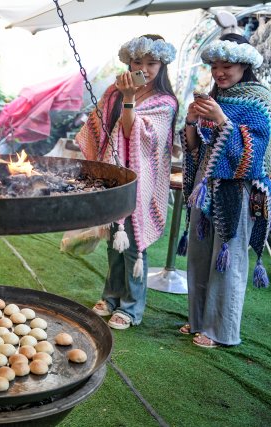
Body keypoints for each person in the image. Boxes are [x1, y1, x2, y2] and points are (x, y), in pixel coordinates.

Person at [76, 35, 178, 329]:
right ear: (128, 62)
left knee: (133, 246)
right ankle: (110, 298)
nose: (143, 68)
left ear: (162, 65)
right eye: (138, 62)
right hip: (115, 178)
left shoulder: (165, 102)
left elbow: (138, 137)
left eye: (151, 63)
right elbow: (97, 127)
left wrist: (130, 99)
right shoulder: (114, 92)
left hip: (141, 182)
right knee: (113, 243)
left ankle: (131, 308)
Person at [178, 33, 271, 348]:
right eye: (215, 66)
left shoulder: (259, 98)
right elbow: (194, 150)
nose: (219, 72)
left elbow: (254, 155)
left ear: (244, 64)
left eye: (227, 66)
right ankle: (199, 319)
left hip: (238, 191)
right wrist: (192, 121)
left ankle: (221, 331)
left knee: (227, 261)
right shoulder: (214, 96)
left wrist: (222, 122)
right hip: (205, 190)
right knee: (200, 257)